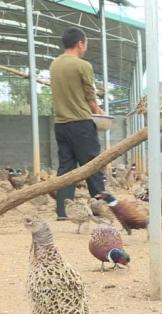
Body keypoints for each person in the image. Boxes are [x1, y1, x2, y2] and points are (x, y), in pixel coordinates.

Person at [50, 27, 105, 219]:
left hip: (61, 124)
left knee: (66, 168)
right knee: (93, 166)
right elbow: (90, 96)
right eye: (86, 43)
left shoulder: (54, 65)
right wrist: (98, 112)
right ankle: (101, 207)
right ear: (80, 43)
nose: (86, 47)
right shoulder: (82, 65)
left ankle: (63, 212)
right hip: (81, 123)